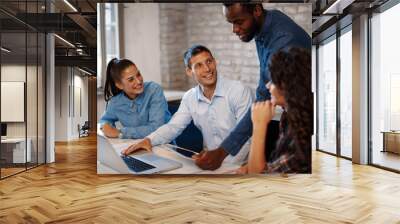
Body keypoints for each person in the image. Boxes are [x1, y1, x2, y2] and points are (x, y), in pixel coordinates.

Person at [194, 3, 311, 170]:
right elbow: (264, 92)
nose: (234, 29)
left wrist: (223, 152)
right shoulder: (264, 25)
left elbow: (263, 95)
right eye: (231, 23)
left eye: (239, 22)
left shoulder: (283, 43)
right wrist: (224, 152)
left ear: (257, 10)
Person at [122, 45, 253, 165]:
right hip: (209, 163)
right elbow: (174, 126)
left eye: (209, 61)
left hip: (239, 166)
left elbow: (246, 138)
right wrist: (148, 140)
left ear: (214, 62)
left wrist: (221, 163)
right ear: (189, 71)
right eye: (199, 65)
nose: (207, 69)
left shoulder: (238, 91)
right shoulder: (190, 97)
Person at [237, 47, 312, 174]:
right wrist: (254, 166)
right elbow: (275, 167)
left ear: (285, 85)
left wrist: (259, 124)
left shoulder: (303, 139)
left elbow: (258, 177)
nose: (267, 86)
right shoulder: (289, 115)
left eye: (272, 81)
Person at [99, 58, 170, 139]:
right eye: (131, 79)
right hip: (135, 144)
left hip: (163, 144)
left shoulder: (154, 90)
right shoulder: (116, 102)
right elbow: (104, 120)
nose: (139, 81)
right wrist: (106, 127)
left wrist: (120, 132)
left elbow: (156, 128)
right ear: (119, 85)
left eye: (138, 74)